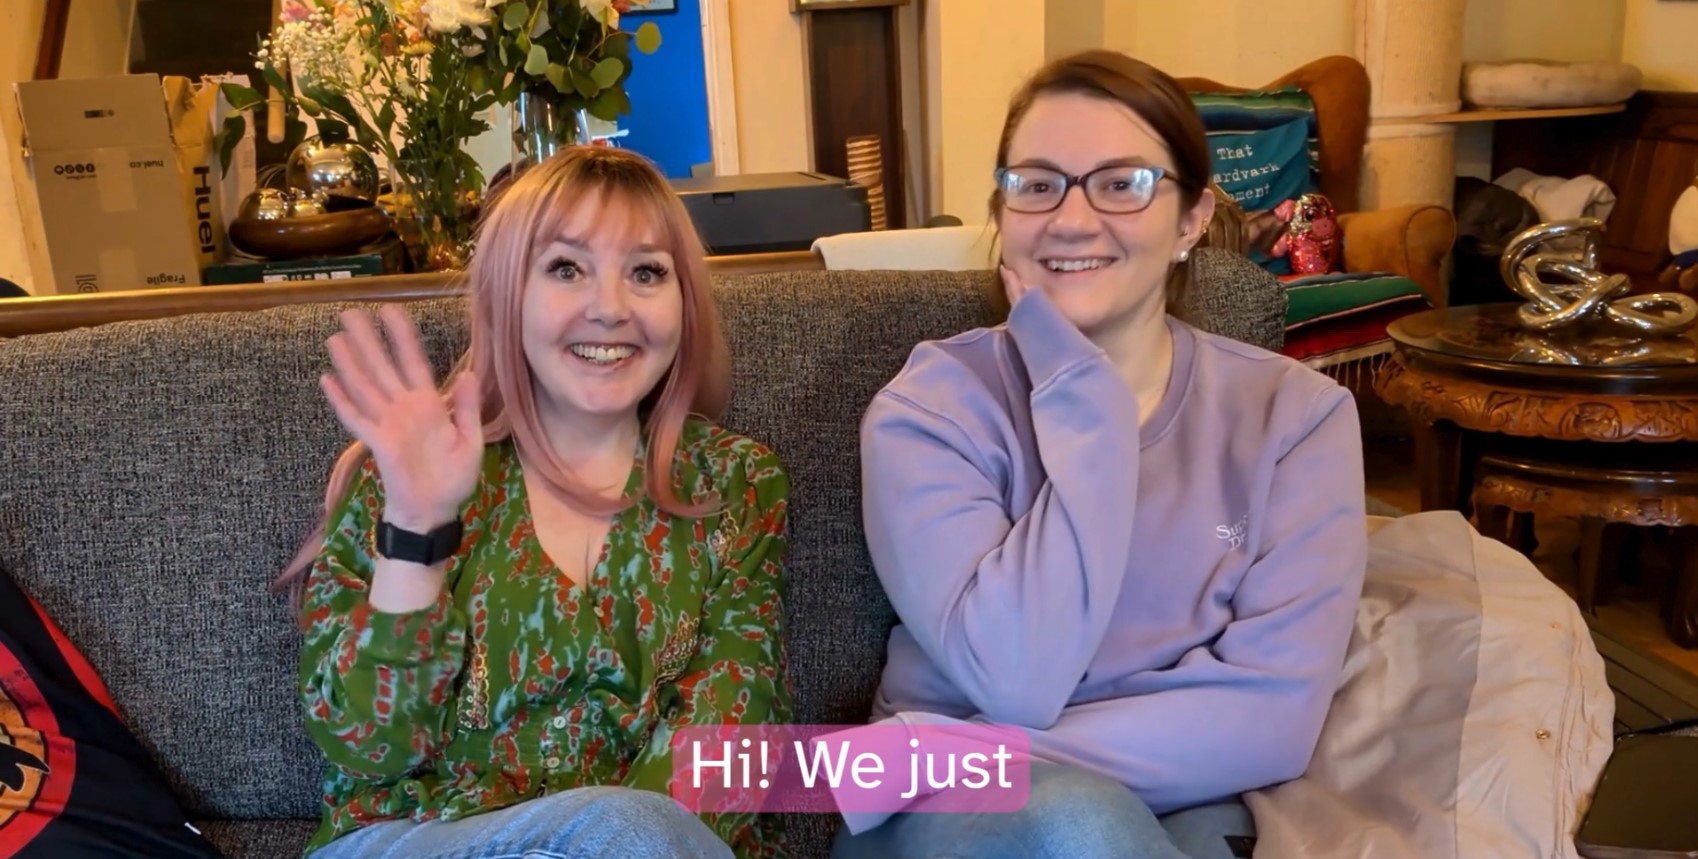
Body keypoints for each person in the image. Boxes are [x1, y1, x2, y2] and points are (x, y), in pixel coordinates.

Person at [835, 50, 1368, 859]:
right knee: (1081, 822)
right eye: (1037, 183)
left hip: (1150, 796)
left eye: (1122, 183)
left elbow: (1271, 720)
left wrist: (941, 752)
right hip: (952, 825)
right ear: (1003, 211)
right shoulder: (929, 409)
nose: (1072, 219)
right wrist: (1087, 405)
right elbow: (1017, 675)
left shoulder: (1299, 419)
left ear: (1192, 218)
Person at [276, 147, 793, 859]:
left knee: (641, 830)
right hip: (420, 839)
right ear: (504, 296)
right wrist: (418, 529)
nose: (610, 307)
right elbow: (369, 747)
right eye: (565, 268)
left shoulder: (736, 481)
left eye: (646, 272)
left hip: (651, 843)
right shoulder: (400, 476)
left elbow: (729, 736)